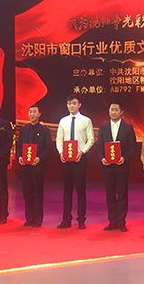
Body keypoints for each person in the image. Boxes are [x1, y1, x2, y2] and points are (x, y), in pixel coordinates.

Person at [96, 102, 137, 232]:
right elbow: (99, 146)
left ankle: (121, 222)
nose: (113, 112)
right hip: (107, 167)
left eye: (116, 110)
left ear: (121, 112)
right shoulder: (103, 127)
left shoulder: (128, 127)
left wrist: (124, 158)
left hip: (122, 166)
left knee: (122, 194)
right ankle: (112, 221)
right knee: (110, 195)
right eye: (111, 110)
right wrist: (102, 158)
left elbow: (133, 146)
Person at [55, 95, 95, 230]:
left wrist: (82, 152)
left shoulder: (86, 121)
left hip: (80, 159)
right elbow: (59, 139)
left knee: (80, 190)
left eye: (74, 103)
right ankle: (66, 220)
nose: (71, 106)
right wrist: (61, 152)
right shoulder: (63, 121)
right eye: (69, 103)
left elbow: (91, 139)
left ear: (79, 105)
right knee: (67, 191)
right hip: (66, 159)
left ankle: (81, 220)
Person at [16, 105, 53, 227]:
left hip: (38, 167)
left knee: (37, 194)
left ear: (39, 114)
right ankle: (29, 218)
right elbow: (19, 146)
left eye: (34, 112)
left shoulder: (44, 130)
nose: (32, 114)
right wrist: (19, 156)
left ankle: (37, 219)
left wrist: (39, 158)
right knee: (27, 193)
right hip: (25, 166)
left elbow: (49, 148)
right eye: (30, 112)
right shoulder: (23, 129)